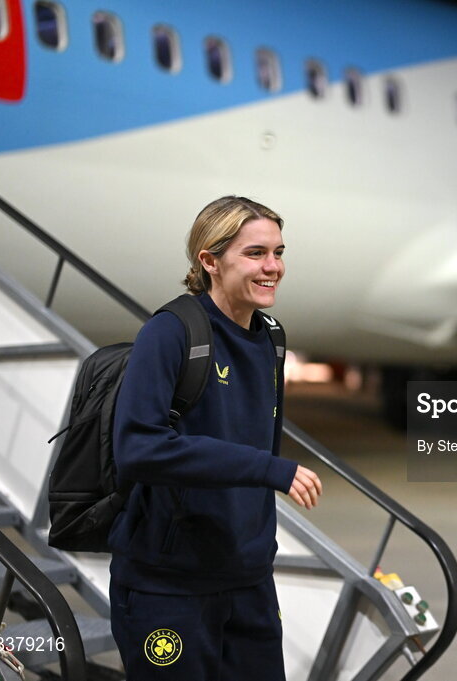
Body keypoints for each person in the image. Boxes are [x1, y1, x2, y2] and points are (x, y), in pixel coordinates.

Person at [108, 196, 322, 680]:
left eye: (279, 252)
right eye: (255, 254)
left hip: (249, 581)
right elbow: (140, 448)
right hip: (169, 587)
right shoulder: (171, 332)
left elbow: (259, 440)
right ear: (209, 260)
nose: (274, 267)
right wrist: (271, 470)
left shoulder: (272, 339)